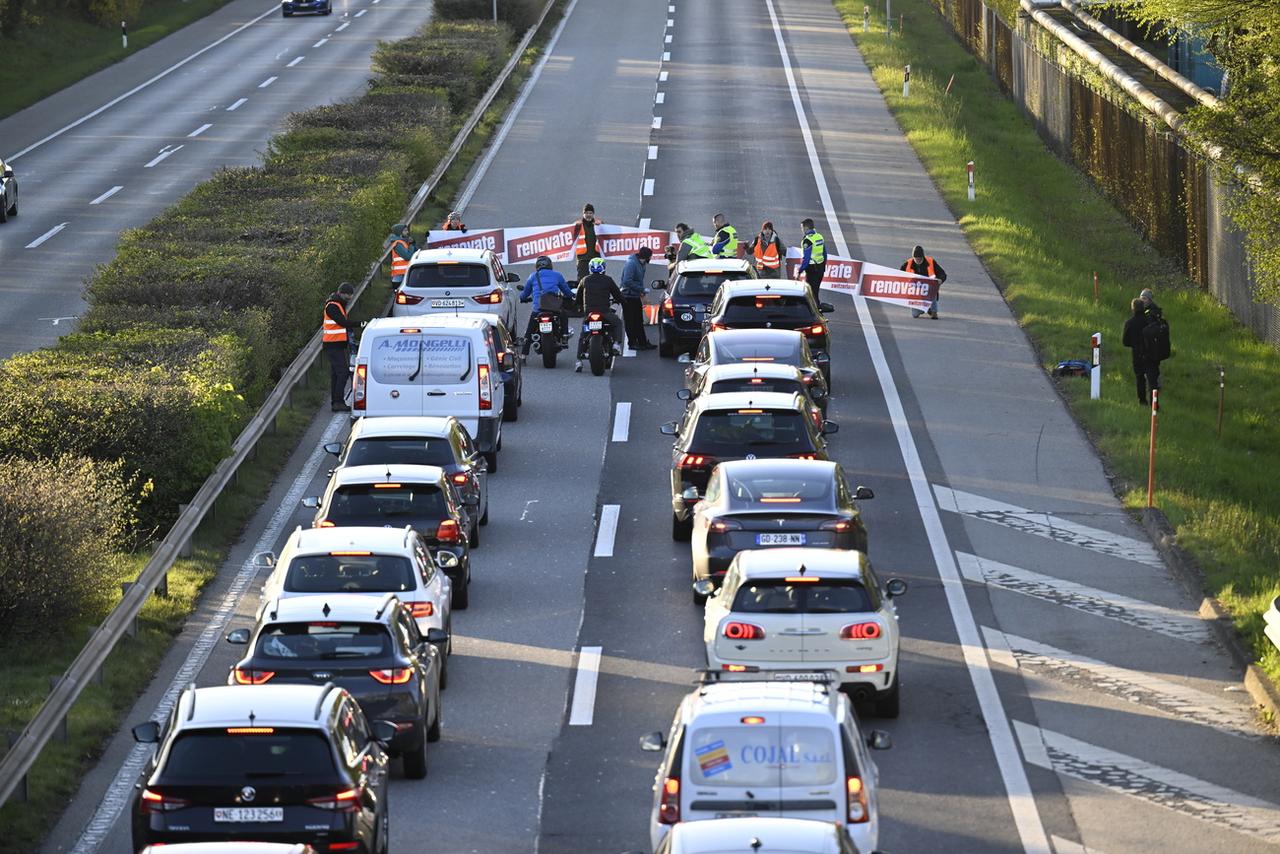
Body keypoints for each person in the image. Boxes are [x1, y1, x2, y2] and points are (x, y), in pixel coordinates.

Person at [575, 257, 624, 371]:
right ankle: (616, 344)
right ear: (603, 268)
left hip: (589, 313)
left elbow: (578, 297)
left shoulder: (585, 280)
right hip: (604, 312)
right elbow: (618, 295)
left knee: (583, 335)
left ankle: (578, 361)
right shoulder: (608, 280)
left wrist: (578, 306)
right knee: (617, 322)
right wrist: (623, 301)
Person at [519, 256, 575, 356]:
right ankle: (564, 337)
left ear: (537, 266)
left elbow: (525, 293)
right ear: (550, 265)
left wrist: (522, 298)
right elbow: (566, 291)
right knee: (564, 315)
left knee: (529, 330)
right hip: (554, 308)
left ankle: (523, 355)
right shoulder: (557, 275)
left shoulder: (533, 276)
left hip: (538, 309)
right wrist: (572, 295)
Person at [323, 282, 358, 412]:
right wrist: (360, 324)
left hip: (336, 344)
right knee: (342, 372)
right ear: (341, 293)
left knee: (336, 374)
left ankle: (336, 402)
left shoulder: (338, 304)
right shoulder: (332, 306)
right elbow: (342, 322)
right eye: (348, 295)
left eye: (351, 295)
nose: (349, 298)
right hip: (333, 345)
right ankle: (338, 402)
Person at [1123, 297, 1160, 405]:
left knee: (1140, 378)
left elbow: (1125, 342)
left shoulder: (1130, 323)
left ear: (1133, 309)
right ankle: (1155, 403)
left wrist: (1134, 344)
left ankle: (1142, 400)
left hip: (1137, 354)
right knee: (1153, 380)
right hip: (1151, 353)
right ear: (1143, 308)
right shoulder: (1150, 321)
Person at [619, 247, 656, 350]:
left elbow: (639, 280)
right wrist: (642, 290)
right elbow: (627, 281)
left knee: (638, 320)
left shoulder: (642, 264)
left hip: (634, 295)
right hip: (627, 296)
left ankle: (642, 342)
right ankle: (632, 343)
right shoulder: (631, 264)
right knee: (630, 321)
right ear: (646, 257)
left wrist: (641, 293)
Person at [901, 244, 947, 318]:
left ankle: (934, 311)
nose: (918, 260)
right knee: (915, 315)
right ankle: (926, 309)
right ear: (913, 257)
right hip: (915, 292)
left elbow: (942, 274)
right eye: (916, 259)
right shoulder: (908, 263)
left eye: (920, 258)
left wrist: (940, 280)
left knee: (933, 287)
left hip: (929, 289)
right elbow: (899, 275)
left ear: (923, 257)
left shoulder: (930, 261)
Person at [572, 203, 604, 280]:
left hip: (596, 258)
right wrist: (575, 226)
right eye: (586, 213)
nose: (588, 215)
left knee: (598, 281)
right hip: (583, 259)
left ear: (593, 214)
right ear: (583, 214)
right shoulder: (578, 225)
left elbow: (607, 236)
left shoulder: (598, 225)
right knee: (582, 281)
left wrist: (602, 224)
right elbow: (570, 236)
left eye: (590, 213)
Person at [797, 218, 826, 297]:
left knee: (810, 294)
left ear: (806, 228)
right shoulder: (819, 237)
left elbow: (806, 259)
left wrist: (800, 271)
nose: (802, 230)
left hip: (812, 270)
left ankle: (815, 307)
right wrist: (823, 267)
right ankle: (817, 306)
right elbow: (824, 254)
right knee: (816, 292)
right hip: (820, 268)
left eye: (802, 228)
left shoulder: (807, 241)